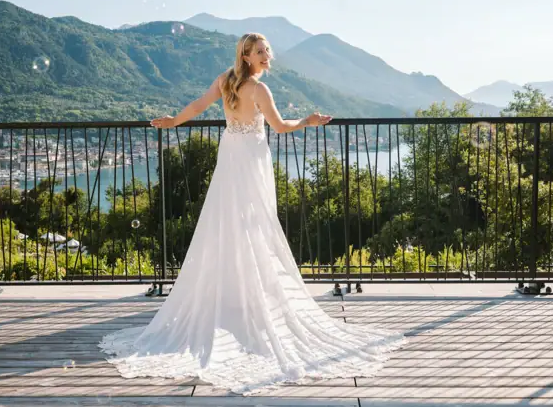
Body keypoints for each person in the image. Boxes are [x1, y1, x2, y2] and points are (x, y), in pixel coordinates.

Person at [99, 32, 406, 395]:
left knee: (226, 224)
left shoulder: (225, 82)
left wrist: (173, 122)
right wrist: (307, 121)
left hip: (230, 159)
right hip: (251, 162)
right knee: (254, 225)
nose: (267, 56)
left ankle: (231, 296)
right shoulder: (259, 90)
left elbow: (197, 106)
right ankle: (250, 297)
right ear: (246, 56)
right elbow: (279, 127)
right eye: (261, 52)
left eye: (267, 50)